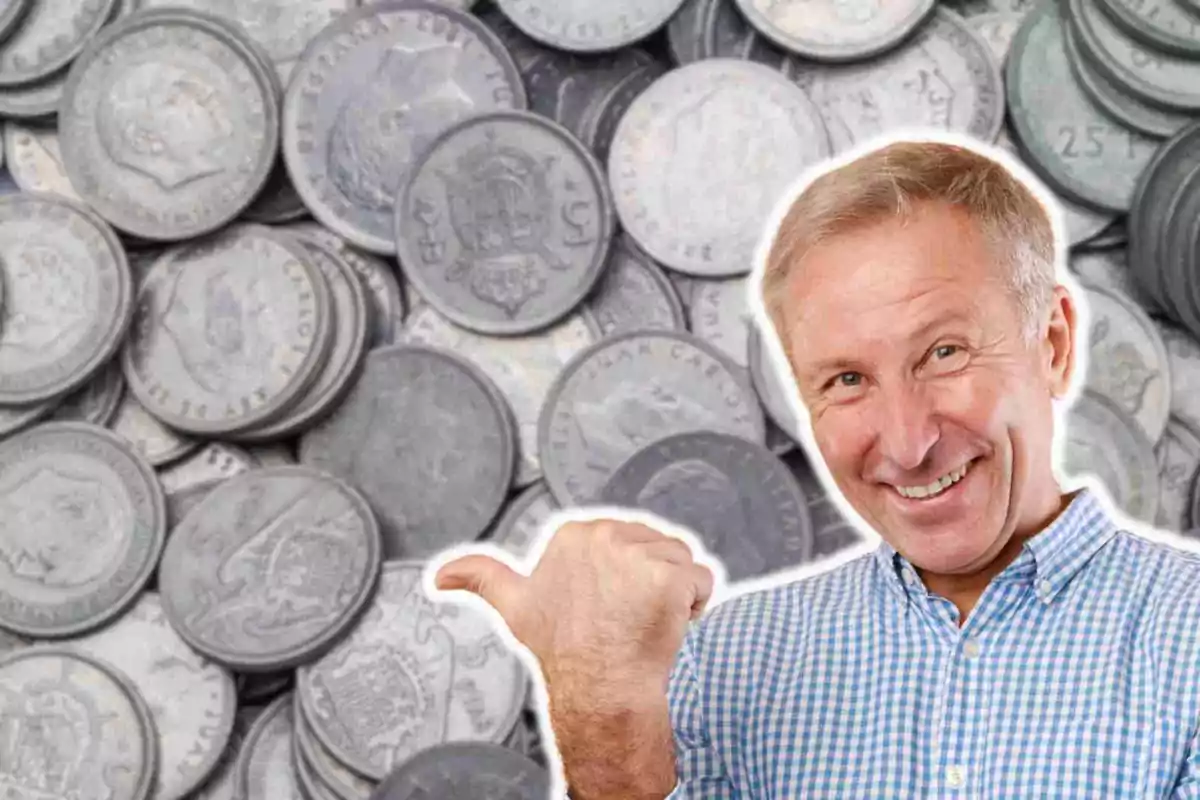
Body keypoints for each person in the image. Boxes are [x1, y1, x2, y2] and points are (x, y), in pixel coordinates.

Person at [433, 137, 1200, 798]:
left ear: (1054, 344)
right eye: (846, 381)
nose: (905, 443)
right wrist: (602, 724)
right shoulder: (719, 665)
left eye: (943, 352)